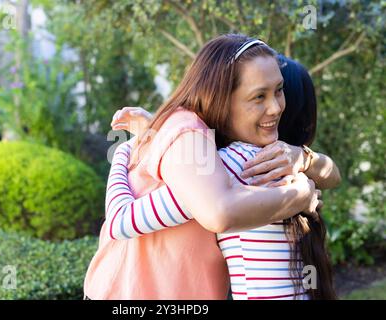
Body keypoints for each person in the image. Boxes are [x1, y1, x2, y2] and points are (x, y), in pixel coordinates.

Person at [84, 34, 339, 300]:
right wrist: (303, 183)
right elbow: (333, 175)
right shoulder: (282, 166)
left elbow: (121, 220)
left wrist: (127, 149)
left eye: (278, 90)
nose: (275, 107)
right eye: (259, 96)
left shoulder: (234, 165)